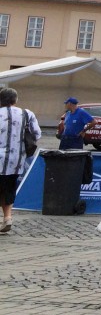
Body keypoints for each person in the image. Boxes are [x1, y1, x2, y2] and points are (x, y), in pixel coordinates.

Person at [1, 87, 40, 234]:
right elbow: (37, 134)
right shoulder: (26, 114)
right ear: (15, 100)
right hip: (16, 160)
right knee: (9, 188)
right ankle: (7, 218)